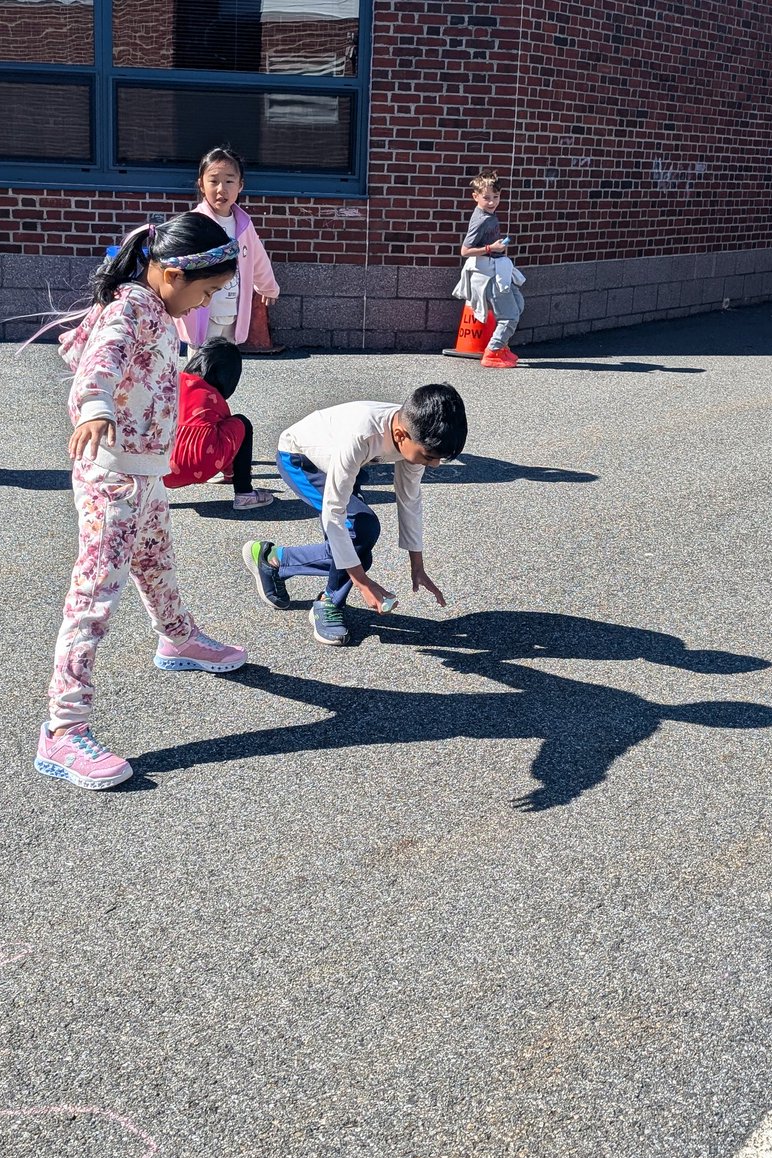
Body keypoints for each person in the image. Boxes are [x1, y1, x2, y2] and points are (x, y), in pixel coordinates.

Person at [34, 212, 248, 792]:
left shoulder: (157, 307)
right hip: (112, 477)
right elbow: (98, 367)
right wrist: (96, 407)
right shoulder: (132, 308)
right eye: (205, 293)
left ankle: (178, 636)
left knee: (155, 561)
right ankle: (63, 727)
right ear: (173, 273)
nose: (203, 304)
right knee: (94, 595)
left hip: (142, 471)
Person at [242, 385, 467, 647]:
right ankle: (328, 603)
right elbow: (333, 514)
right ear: (400, 435)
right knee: (360, 530)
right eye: (430, 457)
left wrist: (417, 566)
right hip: (300, 457)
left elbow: (409, 500)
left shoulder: (415, 435)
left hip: (340, 461)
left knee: (358, 550)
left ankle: (272, 559)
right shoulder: (362, 435)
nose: (434, 464)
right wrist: (362, 583)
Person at [174, 147, 279, 350]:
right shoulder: (195, 223)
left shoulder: (243, 224)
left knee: (226, 365)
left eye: (229, 181)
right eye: (213, 181)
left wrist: (268, 287)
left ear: (240, 186)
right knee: (201, 367)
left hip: (234, 310)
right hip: (202, 308)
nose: (221, 189)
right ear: (201, 185)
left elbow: (258, 258)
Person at [163, 337, 274, 510]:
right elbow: (227, 440)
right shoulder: (213, 396)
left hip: (162, 470)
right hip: (203, 465)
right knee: (241, 424)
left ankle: (151, 499)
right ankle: (244, 493)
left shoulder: (171, 383)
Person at [452, 169, 526, 369]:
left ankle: (501, 346)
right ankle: (492, 352)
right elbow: (465, 251)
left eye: (496, 196)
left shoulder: (488, 214)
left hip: (498, 269)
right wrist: (491, 248)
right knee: (510, 315)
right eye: (486, 198)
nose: (492, 202)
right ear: (475, 196)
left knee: (518, 305)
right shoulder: (482, 219)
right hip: (490, 274)